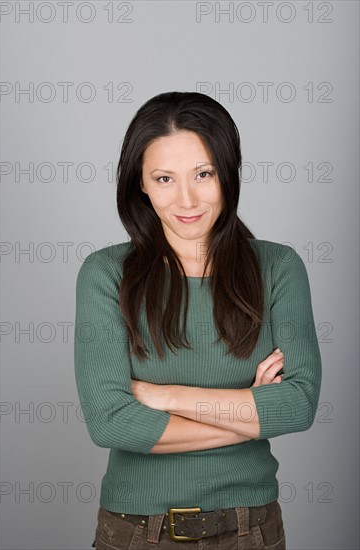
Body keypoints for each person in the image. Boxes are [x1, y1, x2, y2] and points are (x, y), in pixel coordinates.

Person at [74, 91, 322, 549]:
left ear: (228, 173)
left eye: (203, 174)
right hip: (136, 530)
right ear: (141, 184)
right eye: (164, 178)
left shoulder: (278, 268)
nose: (186, 199)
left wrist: (162, 396)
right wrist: (249, 408)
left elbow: (299, 405)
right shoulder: (105, 274)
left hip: (251, 529)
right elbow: (111, 423)